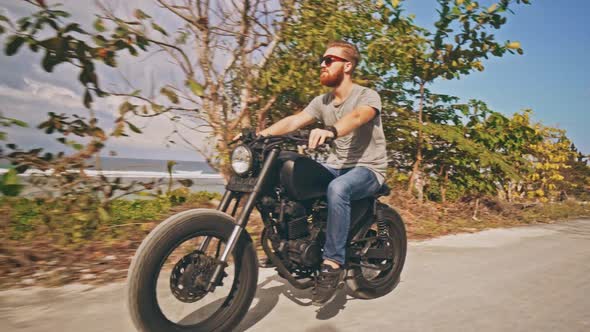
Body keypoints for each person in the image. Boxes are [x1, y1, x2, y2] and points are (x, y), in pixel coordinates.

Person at [257, 40, 388, 306]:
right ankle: (287, 244)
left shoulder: (367, 95)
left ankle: (333, 263)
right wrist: (259, 135)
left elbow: (357, 117)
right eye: (322, 60)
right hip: (335, 165)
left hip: (368, 168)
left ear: (347, 66)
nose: (322, 64)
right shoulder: (322, 101)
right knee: (284, 173)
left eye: (329, 60)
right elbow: (295, 120)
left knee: (338, 189)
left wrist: (331, 131)